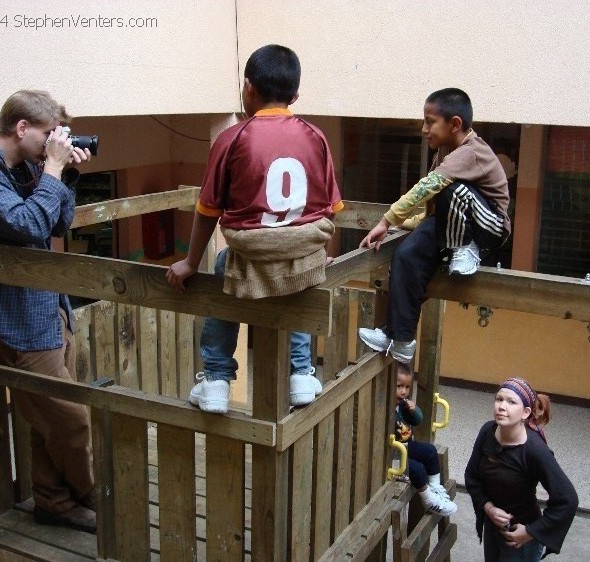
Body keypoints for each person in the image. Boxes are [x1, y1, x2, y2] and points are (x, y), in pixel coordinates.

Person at [0, 90, 96, 532]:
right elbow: (28, 224)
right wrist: (51, 168)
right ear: (21, 128)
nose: (55, 143)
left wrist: (63, 174)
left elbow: (57, 222)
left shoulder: (31, 168)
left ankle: (54, 503)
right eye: (49, 134)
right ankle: (99, 492)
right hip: (16, 323)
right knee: (72, 420)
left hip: (52, 310)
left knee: (45, 422)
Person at [166, 44, 343, 414]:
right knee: (297, 284)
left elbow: (207, 210)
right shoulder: (316, 136)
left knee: (222, 270)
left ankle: (215, 378)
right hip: (302, 256)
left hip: (249, 255)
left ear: (248, 87)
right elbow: (332, 209)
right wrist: (323, 253)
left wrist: (190, 261)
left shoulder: (231, 139)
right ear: (295, 95)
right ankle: (300, 373)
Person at [357, 88, 510, 363]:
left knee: (455, 190)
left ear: (454, 124)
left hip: (489, 228)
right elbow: (432, 209)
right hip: (452, 222)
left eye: (430, 121)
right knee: (405, 255)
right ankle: (400, 337)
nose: (424, 129)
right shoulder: (444, 152)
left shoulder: (471, 152)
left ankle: (465, 250)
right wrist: (403, 227)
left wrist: (387, 219)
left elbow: (428, 187)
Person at [465, 378, 578, 561]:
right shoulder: (487, 431)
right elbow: (472, 476)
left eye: (511, 402)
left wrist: (530, 532)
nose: (502, 406)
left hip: (520, 538)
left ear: (525, 412)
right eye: (499, 399)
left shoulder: (534, 450)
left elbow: (568, 500)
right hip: (493, 528)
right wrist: (489, 508)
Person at [393, 362, 457, 515]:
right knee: (416, 468)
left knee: (430, 451)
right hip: (393, 455)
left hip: (407, 446)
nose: (403, 391)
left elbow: (417, 420)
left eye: (407, 387)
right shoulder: (385, 406)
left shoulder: (403, 405)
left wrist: (414, 411)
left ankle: (435, 488)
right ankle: (428, 500)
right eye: (399, 386)